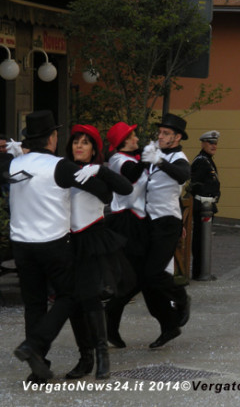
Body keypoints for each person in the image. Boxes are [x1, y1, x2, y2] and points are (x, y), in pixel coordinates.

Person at [5, 111, 116, 382]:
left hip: (21, 246)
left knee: (34, 304)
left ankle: (39, 367)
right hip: (53, 244)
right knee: (69, 296)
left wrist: (12, 153)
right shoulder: (61, 167)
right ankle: (34, 346)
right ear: (52, 138)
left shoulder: (13, 164)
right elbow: (103, 192)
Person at [64, 124, 133, 380]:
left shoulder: (98, 172)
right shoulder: (62, 170)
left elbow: (126, 189)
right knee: (72, 302)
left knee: (90, 298)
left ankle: (102, 355)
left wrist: (100, 170)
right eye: (76, 141)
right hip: (67, 241)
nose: (79, 146)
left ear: (94, 149)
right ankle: (85, 358)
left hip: (92, 239)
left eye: (85, 142)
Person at [141, 113, 191, 348]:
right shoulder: (155, 154)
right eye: (159, 132)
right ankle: (168, 325)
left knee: (154, 273)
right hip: (150, 220)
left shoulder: (179, 158)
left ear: (177, 137)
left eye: (166, 133)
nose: (160, 136)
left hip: (167, 222)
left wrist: (159, 161)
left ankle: (180, 296)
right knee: (146, 280)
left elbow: (182, 175)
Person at [103, 121, 149, 349]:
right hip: (125, 222)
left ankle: (110, 320)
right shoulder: (118, 161)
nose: (136, 139)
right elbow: (131, 175)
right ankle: (109, 319)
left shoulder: (132, 158)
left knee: (141, 276)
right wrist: (147, 158)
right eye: (132, 137)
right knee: (133, 277)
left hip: (139, 221)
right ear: (123, 142)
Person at [190, 130, 221, 280]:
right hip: (202, 206)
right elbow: (194, 184)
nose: (213, 146)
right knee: (200, 240)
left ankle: (203, 270)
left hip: (207, 206)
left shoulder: (207, 160)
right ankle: (199, 272)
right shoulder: (201, 161)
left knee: (204, 239)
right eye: (210, 143)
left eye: (215, 143)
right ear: (203, 144)